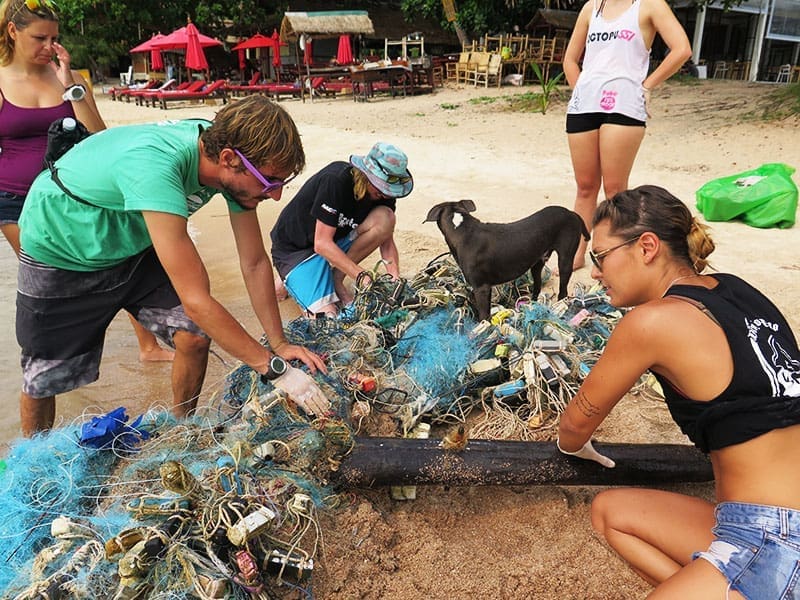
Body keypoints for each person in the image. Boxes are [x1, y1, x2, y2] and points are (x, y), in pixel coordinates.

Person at [17, 94, 330, 437]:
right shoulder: (157, 166)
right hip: (62, 246)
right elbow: (197, 301)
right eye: (270, 183)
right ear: (228, 159)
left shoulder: (228, 151)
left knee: (193, 336)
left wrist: (278, 342)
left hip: (133, 238)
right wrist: (277, 371)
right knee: (45, 376)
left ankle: (184, 431)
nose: (275, 196)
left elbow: (254, 262)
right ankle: (33, 464)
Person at [556, 185, 800, 597]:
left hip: (771, 537)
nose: (595, 272)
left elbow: (574, 428)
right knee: (611, 513)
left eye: (601, 257)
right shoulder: (736, 289)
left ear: (647, 246)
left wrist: (573, 446)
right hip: (755, 521)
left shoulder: (652, 322)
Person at [0, 0, 172, 362]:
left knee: (121, 257)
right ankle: (60, 361)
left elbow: (100, 140)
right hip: (16, 200)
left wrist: (71, 88)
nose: (49, 47)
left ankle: (148, 347)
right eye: (39, 38)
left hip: (78, 195)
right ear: (13, 32)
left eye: (54, 38)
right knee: (53, 278)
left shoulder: (70, 78)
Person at [562, 0, 691, 269]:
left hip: (623, 105)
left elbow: (682, 50)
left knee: (615, 191)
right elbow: (570, 60)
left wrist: (647, 85)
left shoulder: (650, 5)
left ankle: (610, 257)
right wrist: (581, 90)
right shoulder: (591, 8)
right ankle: (575, 255)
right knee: (585, 187)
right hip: (584, 106)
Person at [270, 142, 413, 317]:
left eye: (390, 190)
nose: (386, 194)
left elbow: (386, 240)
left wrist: (395, 279)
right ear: (366, 175)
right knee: (328, 318)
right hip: (297, 249)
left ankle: (335, 279)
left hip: (334, 239)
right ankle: (289, 276)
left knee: (386, 218)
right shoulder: (336, 180)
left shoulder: (383, 194)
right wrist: (360, 275)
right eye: (382, 187)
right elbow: (321, 243)